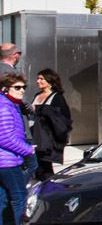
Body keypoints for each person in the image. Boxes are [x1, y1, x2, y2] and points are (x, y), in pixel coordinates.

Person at [0, 73, 35, 223]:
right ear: (5, 89)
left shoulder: (10, 105)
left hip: (6, 161)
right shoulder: (5, 107)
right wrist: (28, 149)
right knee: (20, 197)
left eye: (24, 87)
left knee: (3, 199)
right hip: (8, 162)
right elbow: (5, 138)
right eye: (17, 87)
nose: (22, 90)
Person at [30, 69, 71, 182]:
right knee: (37, 166)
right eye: (38, 78)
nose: (38, 81)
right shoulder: (37, 95)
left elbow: (62, 119)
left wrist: (40, 110)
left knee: (45, 167)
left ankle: (49, 191)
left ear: (50, 80)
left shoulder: (57, 98)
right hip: (34, 136)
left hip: (46, 138)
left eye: (41, 79)